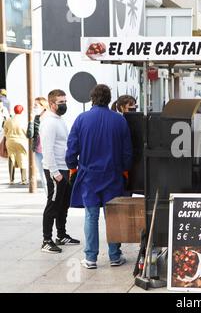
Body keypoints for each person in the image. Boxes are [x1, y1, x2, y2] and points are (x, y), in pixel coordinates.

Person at [66, 84, 132, 269]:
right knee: (112, 217)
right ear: (109, 99)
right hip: (113, 175)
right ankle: (114, 256)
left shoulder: (81, 119)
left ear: (92, 98)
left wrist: (73, 168)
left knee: (91, 216)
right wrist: (125, 171)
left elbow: (71, 150)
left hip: (89, 177)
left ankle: (91, 258)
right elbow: (127, 152)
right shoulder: (119, 120)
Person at [40, 90, 80, 254]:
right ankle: (46, 240)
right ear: (51, 104)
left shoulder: (59, 120)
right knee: (53, 204)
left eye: (65, 101)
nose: (64, 104)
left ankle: (61, 235)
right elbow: (47, 150)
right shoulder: (49, 122)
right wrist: (55, 172)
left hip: (64, 169)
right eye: (61, 102)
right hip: (55, 170)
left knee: (63, 204)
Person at [27, 97, 49, 194]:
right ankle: (49, 198)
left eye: (36, 105)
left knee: (52, 175)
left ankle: (55, 198)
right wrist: (31, 121)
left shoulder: (50, 117)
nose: (33, 107)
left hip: (49, 151)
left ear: (43, 106)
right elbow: (29, 135)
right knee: (43, 176)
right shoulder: (36, 118)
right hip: (38, 151)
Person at [3, 105, 28, 185]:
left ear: (14, 110)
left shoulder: (9, 119)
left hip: (10, 141)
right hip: (22, 141)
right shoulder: (25, 120)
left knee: (11, 158)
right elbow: (28, 132)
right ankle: (24, 180)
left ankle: (11, 180)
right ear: (22, 111)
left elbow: (5, 131)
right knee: (22, 159)